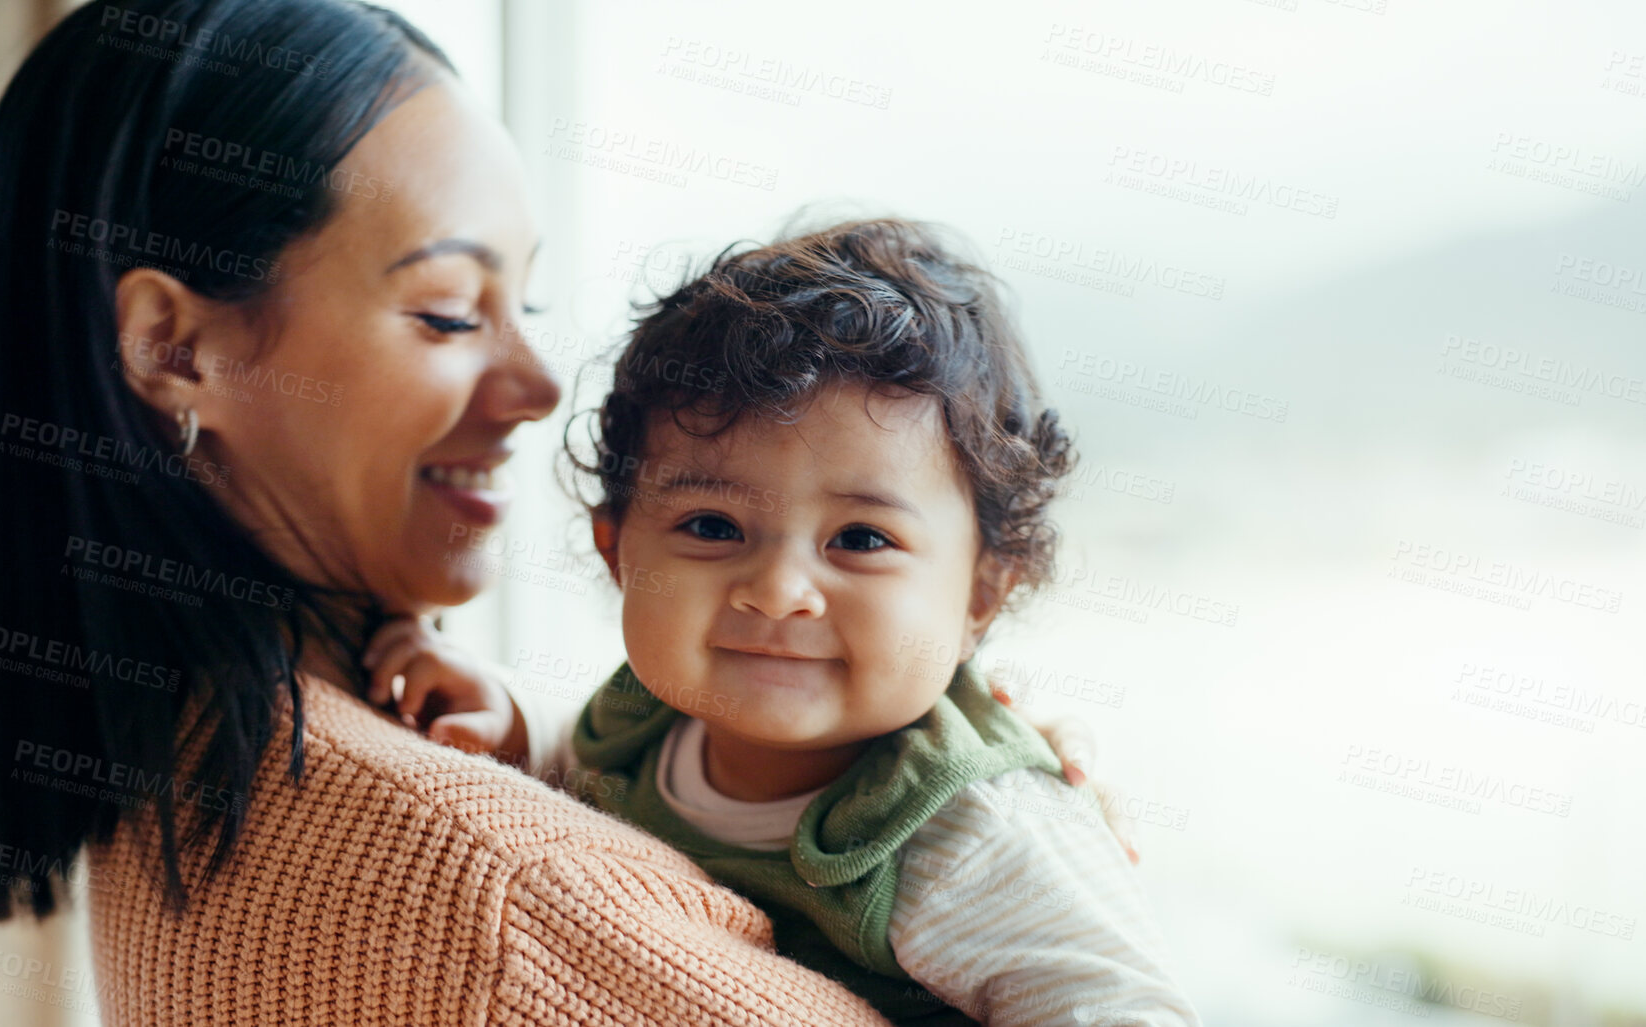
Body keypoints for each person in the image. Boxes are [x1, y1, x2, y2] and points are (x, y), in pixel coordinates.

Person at [0, 2, 1115, 1023]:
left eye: (527, 303)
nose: (543, 385)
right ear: (177, 347)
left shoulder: (182, 765)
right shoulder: (493, 892)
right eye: (447, 313)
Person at [369, 220, 1197, 1025]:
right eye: (711, 527)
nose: (776, 591)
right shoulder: (644, 724)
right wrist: (513, 720)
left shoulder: (966, 831)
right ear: (615, 548)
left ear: (980, 594)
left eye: (861, 539)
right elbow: (588, 777)